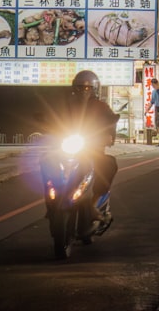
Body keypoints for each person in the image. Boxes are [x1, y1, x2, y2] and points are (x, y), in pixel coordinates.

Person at [60, 70, 118, 217]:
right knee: (46, 161)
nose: (84, 91)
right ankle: (52, 199)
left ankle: (95, 201)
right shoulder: (67, 106)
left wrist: (109, 136)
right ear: (75, 88)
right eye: (80, 88)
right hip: (69, 150)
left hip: (93, 150)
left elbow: (110, 122)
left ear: (94, 89)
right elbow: (55, 120)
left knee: (109, 164)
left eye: (88, 88)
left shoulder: (102, 107)